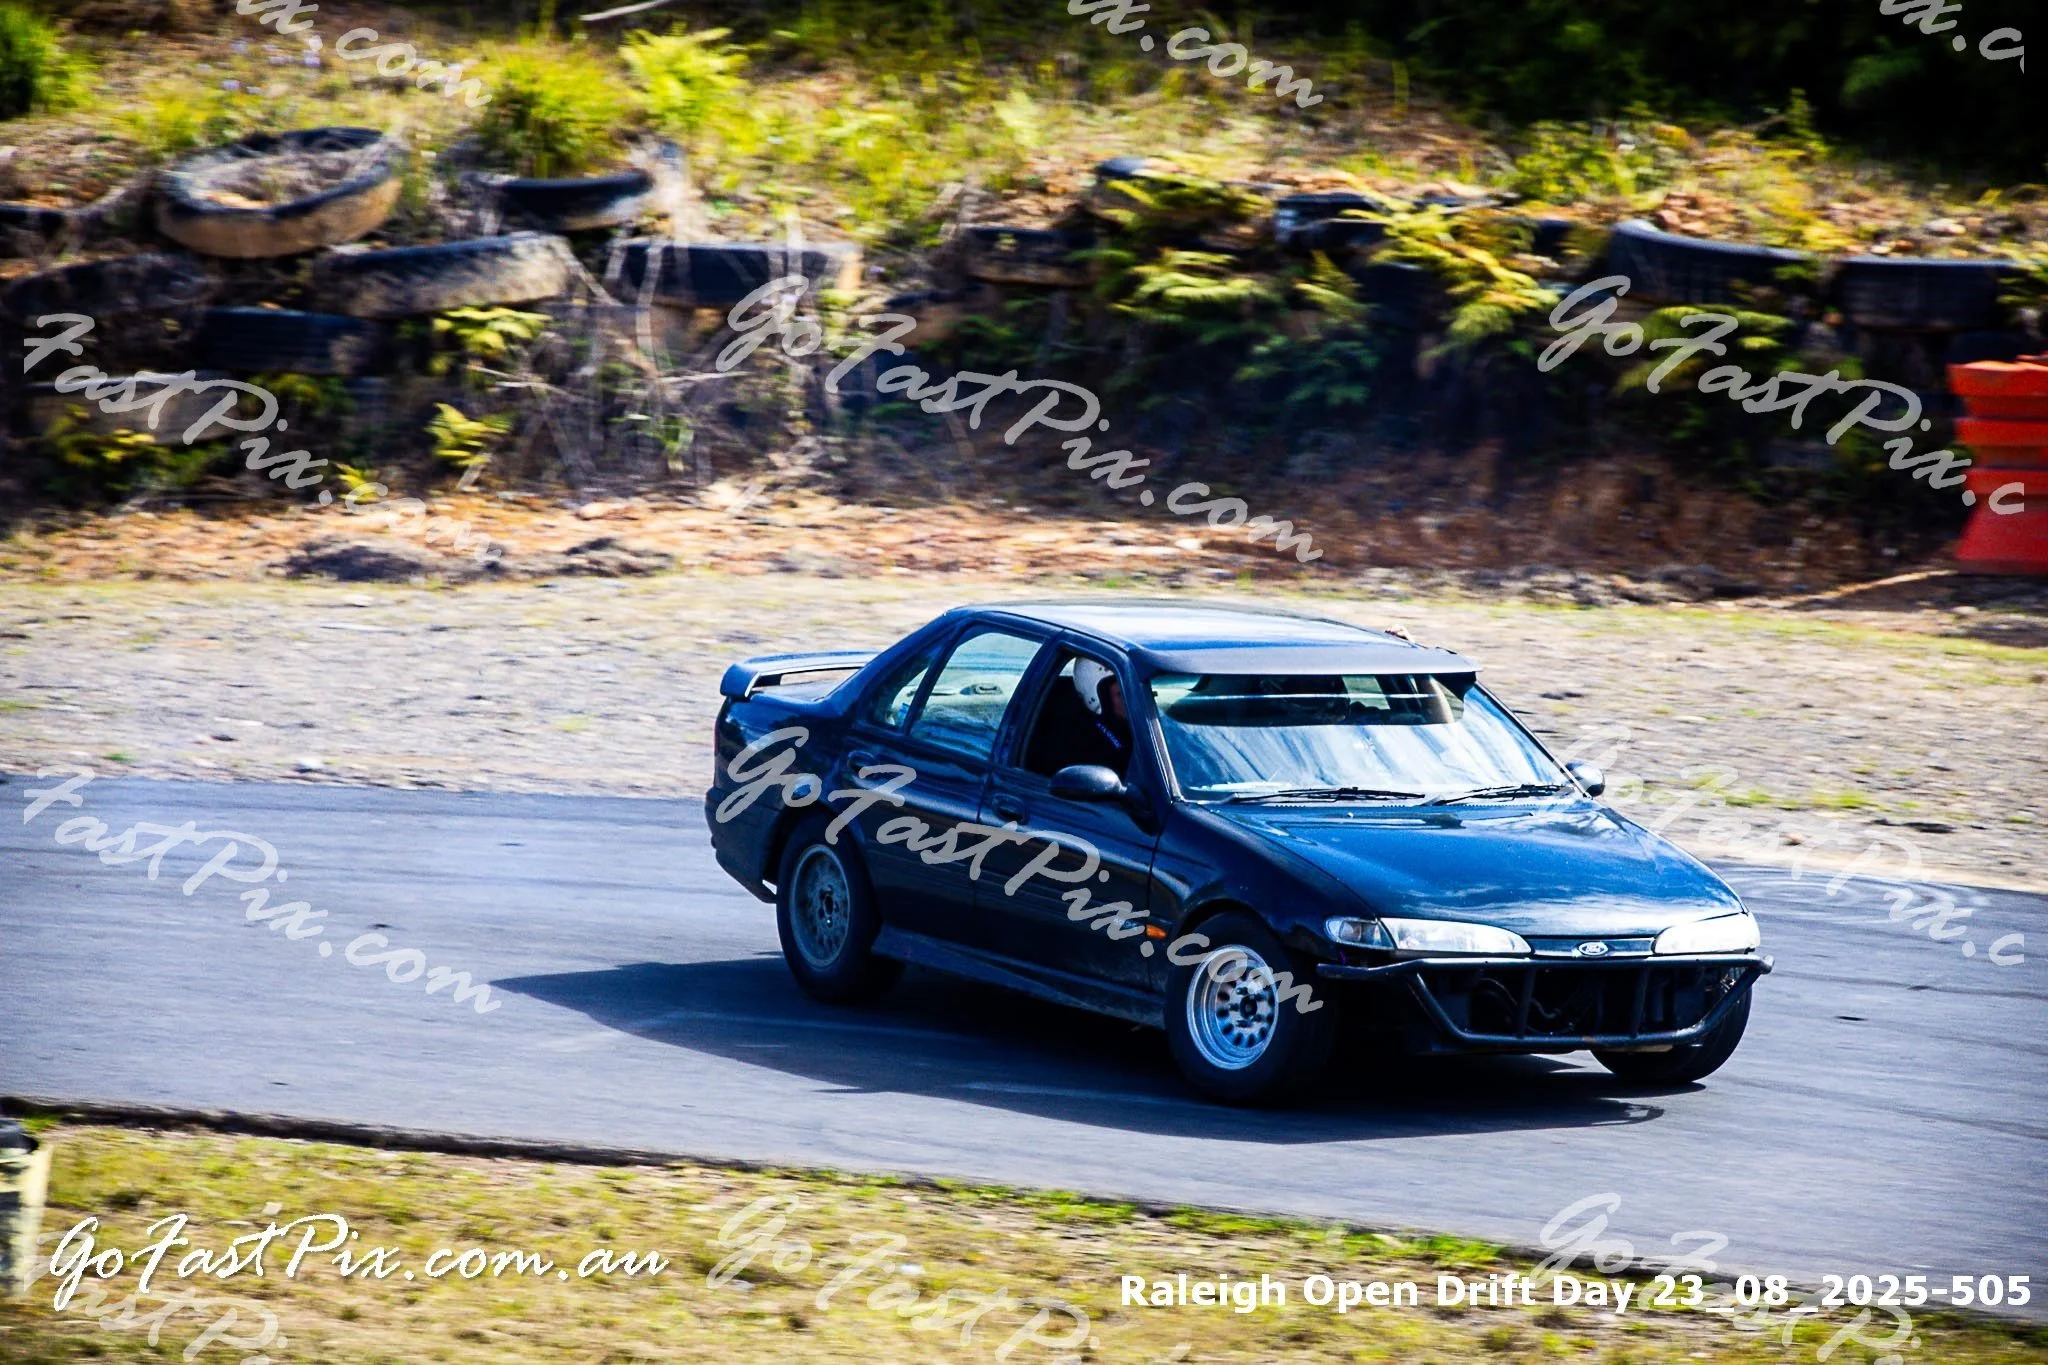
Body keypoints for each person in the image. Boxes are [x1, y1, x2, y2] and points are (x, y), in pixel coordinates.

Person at [1071, 658, 1132, 776]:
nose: (1130, 700)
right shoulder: (1089, 747)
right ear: (1101, 697)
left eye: (1131, 690)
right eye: (1121, 694)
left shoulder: (1146, 725)